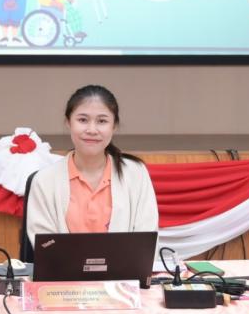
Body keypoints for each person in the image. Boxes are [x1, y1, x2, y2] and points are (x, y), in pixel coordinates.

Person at [25, 85, 158, 249]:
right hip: (63, 267)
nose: (92, 130)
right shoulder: (44, 181)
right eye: (82, 120)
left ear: (114, 126)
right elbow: (46, 247)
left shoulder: (136, 174)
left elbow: (145, 242)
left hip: (125, 267)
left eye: (102, 121)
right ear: (68, 122)